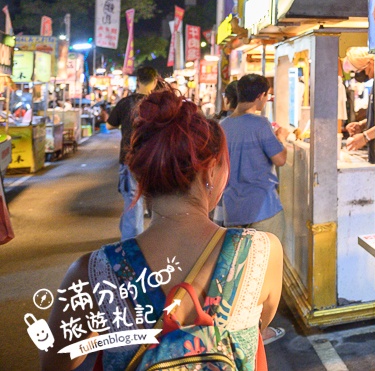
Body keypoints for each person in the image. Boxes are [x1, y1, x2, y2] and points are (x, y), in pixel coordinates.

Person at [40, 89, 284, 371]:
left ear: (137, 173)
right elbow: (260, 323)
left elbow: (55, 364)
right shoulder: (262, 253)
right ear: (209, 172)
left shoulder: (92, 273)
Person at [220, 74, 289, 242]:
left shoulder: (222, 127)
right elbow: (280, 159)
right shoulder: (260, 124)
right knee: (268, 264)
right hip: (263, 209)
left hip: (233, 210)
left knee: (239, 265)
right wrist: (281, 138)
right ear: (261, 96)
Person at [107, 66, 162, 240]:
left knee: (133, 201)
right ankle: (134, 236)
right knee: (151, 201)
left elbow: (109, 125)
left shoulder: (125, 103)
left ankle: (132, 244)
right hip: (152, 158)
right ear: (154, 82)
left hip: (130, 158)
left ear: (137, 81)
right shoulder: (158, 106)